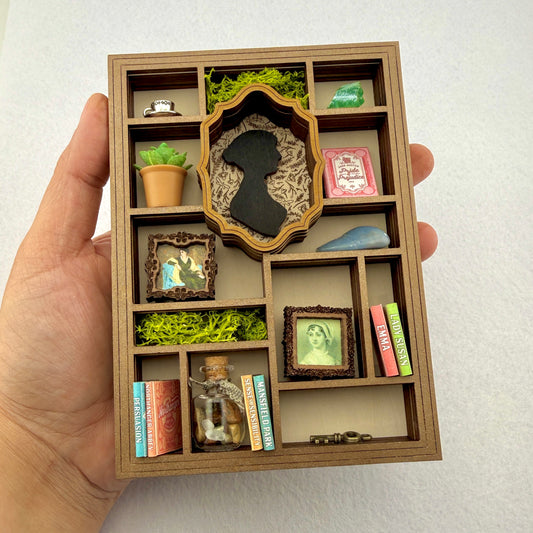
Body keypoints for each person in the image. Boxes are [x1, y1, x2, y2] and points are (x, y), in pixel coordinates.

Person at [0, 94, 438, 531]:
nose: (276, 159)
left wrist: (39, 448)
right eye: (268, 153)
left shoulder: (267, 202)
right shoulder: (245, 203)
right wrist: (32, 437)